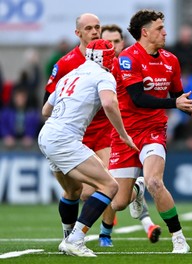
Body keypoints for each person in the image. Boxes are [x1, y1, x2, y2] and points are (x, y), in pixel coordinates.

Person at [109, 9, 192, 253]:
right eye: (159, 28)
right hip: (125, 133)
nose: (165, 32)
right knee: (119, 202)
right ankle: (136, 190)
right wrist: (173, 104)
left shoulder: (171, 60)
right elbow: (137, 98)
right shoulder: (127, 58)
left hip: (154, 129)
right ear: (145, 32)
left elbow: (177, 96)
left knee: (155, 181)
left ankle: (178, 238)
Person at [38, 39, 136, 257]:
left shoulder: (70, 74)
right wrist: (122, 133)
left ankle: (67, 237)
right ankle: (75, 239)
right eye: (112, 54)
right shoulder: (103, 75)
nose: (115, 58)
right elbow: (110, 103)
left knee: (74, 190)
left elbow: (46, 109)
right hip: (65, 137)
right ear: (105, 58)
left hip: (47, 134)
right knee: (109, 186)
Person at [93, 23, 161, 247]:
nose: (111, 46)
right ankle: (137, 189)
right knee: (94, 194)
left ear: (123, 42)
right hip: (97, 132)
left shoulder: (131, 63)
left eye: (115, 41)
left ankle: (104, 234)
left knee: (108, 186)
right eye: (107, 42)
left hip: (124, 132)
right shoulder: (95, 68)